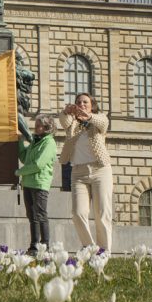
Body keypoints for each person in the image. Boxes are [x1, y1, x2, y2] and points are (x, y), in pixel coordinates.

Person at [58, 93, 112, 251]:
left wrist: (88, 116)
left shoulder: (98, 120)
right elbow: (63, 121)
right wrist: (66, 111)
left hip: (100, 170)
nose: (81, 104)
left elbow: (102, 122)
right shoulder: (72, 123)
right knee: (78, 213)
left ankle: (104, 251)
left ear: (92, 105)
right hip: (78, 172)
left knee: (102, 213)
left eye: (85, 102)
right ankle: (89, 248)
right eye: (78, 102)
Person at [16, 114, 57, 251]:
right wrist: (20, 141)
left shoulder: (49, 143)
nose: (35, 127)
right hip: (28, 183)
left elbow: (38, 164)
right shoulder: (35, 142)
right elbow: (24, 158)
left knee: (40, 214)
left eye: (39, 125)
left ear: (46, 127)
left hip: (40, 183)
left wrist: (19, 172)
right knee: (32, 216)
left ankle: (45, 246)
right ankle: (34, 246)